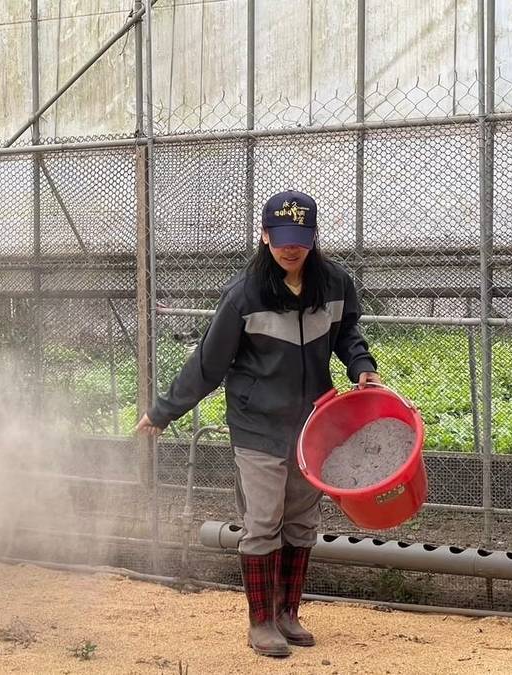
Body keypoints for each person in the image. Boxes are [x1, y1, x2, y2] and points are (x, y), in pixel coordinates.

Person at [135, 190, 381, 657]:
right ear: (265, 235)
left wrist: (361, 366)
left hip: (313, 422)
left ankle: (288, 612)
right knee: (263, 521)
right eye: (282, 238)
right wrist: (163, 411)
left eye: (301, 239)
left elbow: (347, 333)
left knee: (302, 521)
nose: (291, 249)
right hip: (258, 425)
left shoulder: (334, 283)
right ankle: (261, 621)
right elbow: (208, 363)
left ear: (313, 237)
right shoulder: (245, 293)